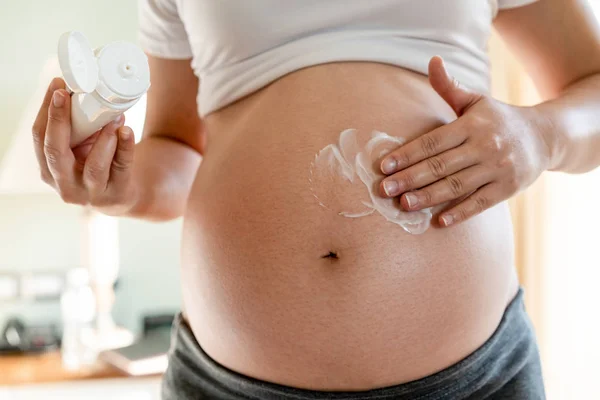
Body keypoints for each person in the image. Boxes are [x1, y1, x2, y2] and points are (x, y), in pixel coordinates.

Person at [32, 0, 600, 398]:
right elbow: (177, 146)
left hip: (472, 380)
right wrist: (120, 185)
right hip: (225, 385)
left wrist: (541, 135)